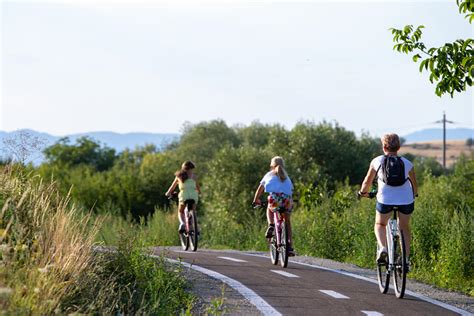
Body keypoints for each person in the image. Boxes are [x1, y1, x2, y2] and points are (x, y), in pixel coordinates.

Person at [359, 133, 418, 269]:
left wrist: (363, 192)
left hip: (385, 199)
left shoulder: (377, 161)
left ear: (384, 146)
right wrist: (414, 195)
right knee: (404, 227)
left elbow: (367, 181)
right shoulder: (408, 163)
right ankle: (406, 260)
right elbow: (415, 186)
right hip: (406, 200)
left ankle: (383, 248)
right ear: (398, 147)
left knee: (380, 224)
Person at [253, 156, 295, 256]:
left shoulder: (269, 174)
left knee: (269, 207)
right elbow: (290, 190)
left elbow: (260, 189)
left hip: (275, 200)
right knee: (287, 222)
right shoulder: (286, 176)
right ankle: (289, 246)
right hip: (287, 200)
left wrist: (256, 200)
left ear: (272, 166)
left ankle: (271, 224)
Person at [165, 161, 201, 233]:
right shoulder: (194, 176)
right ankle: (194, 226)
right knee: (193, 211)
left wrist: (168, 194)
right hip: (193, 196)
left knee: (181, 211)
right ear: (192, 168)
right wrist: (199, 193)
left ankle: (183, 223)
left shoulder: (179, 176)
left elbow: (172, 188)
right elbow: (198, 189)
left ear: (183, 168)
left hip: (183, 196)